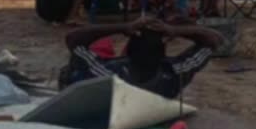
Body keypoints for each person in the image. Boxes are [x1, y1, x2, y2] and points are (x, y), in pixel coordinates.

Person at [61, 17, 222, 99]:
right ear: (162, 54)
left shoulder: (107, 75)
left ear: (128, 53)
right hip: (155, 82)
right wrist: (175, 30)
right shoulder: (174, 73)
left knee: (92, 55)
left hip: (100, 83)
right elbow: (215, 40)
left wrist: (123, 27)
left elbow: (73, 39)